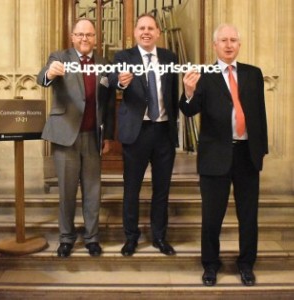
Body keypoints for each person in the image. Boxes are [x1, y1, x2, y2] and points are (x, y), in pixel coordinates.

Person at [179, 24, 268, 286]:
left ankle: (246, 264)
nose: (229, 45)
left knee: (249, 216)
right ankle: (210, 265)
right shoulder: (203, 75)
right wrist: (188, 91)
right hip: (215, 156)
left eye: (233, 40)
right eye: (223, 40)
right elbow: (188, 110)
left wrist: (260, 152)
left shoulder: (253, 74)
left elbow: (260, 115)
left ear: (239, 44)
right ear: (214, 45)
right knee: (212, 216)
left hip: (246, 155)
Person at [37, 18, 115, 258]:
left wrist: (109, 136)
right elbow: (42, 78)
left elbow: (109, 103)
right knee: (67, 192)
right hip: (66, 136)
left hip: (93, 137)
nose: (84, 39)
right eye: (80, 34)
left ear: (95, 38)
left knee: (93, 191)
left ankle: (91, 238)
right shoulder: (59, 57)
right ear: (72, 37)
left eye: (89, 35)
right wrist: (50, 72)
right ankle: (66, 238)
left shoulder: (103, 63)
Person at [109, 13, 179, 256]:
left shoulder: (170, 57)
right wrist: (121, 83)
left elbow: (172, 94)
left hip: (163, 132)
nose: (146, 32)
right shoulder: (123, 57)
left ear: (158, 32)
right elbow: (111, 80)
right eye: (142, 28)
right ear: (135, 32)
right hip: (136, 133)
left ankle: (160, 237)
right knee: (132, 189)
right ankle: (131, 238)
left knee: (162, 189)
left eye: (151, 28)